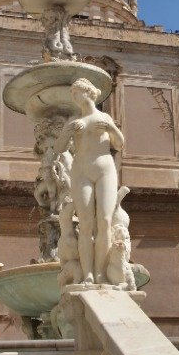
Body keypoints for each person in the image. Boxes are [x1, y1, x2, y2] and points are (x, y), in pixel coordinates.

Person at [54, 78, 125, 285]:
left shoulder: (104, 117)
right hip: (81, 170)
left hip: (105, 169)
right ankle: (88, 274)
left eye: (77, 92)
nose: (74, 97)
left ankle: (101, 272)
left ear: (88, 93)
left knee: (104, 221)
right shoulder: (74, 120)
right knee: (85, 223)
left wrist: (111, 128)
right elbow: (59, 148)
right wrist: (67, 132)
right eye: (73, 94)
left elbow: (119, 144)